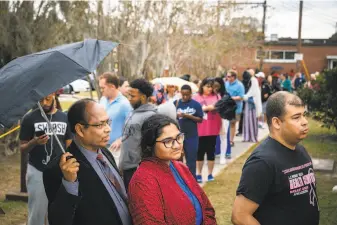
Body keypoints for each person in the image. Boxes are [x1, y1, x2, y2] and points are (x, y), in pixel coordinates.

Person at [232, 92, 319, 225]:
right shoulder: (262, 162)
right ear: (277, 122)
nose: (305, 122)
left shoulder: (300, 150)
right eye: (296, 117)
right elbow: (240, 216)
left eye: (304, 115)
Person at [43, 99, 132, 225]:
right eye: (100, 125)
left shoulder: (105, 152)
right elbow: (59, 220)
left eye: (108, 122)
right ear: (80, 130)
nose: (108, 129)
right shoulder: (59, 169)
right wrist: (69, 183)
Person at [128, 114, 217, 225]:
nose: (177, 145)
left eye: (179, 137)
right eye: (168, 141)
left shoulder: (180, 167)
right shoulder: (142, 181)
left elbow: (207, 208)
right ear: (150, 145)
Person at [20, 93, 72, 225]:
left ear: (54, 94)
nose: (44, 103)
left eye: (48, 99)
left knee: (56, 211)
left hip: (59, 170)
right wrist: (34, 142)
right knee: (37, 212)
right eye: (41, 100)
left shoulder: (64, 117)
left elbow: (69, 144)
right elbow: (22, 148)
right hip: (37, 170)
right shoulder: (29, 118)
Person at [119, 78, 157, 189]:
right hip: (127, 167)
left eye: (132, 96)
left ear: (143, 97)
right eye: (128, 95)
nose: (129, 99)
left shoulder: (151, 116)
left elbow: (151, 146)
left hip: (138, 170)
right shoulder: (132, 112)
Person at [99, 72, 132, 166]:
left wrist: (121, 140)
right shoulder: (102, 100)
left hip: (116, 149)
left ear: (112, 86)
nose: (101, 90)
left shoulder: (125, 104)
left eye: (103, 88)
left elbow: (132, 127)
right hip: (101, 146)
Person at [193, 78, 221, 183]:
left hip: (213, 128)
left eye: (211, 87)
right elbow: (194, 110)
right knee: (199, 152)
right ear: (202, 86)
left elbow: (220, 108)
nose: (210, 89)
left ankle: (210, 173)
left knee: (211, 152)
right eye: (208, 86)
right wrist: (206, 108)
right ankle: (199, 173)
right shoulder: (196, 97)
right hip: (200, 129)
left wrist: (213, 107)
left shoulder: (217, 97)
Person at [174, 84, 203, 179]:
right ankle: (180, 180)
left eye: (187, 94)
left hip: (192, 136)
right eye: (183, 94)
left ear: (191, 93)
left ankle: (192, 181)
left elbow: (200, 119)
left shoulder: (196, 104)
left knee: (191, 160)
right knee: (178, 160)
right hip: (178, 137)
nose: (185, 96)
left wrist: (187, 116)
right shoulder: (176, 103)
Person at [213, 77, 231, 163]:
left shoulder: (226, 95)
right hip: (212, 118)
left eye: (217, 86)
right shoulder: (211, 95)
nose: (215, 88)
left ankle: (222, 157)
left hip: (224, 118)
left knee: (223, 137)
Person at [225, 70, 245, 147]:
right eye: (227, 76)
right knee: (226, 124)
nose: (227, 78)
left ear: (234, 77)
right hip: (226, 107)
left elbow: (241, 97)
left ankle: (231, 141)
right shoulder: (226, 84)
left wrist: (231, 98)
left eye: (229, 76)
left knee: (232, 124)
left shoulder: (240, 85)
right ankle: (225, 139)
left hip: (236, 108)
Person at [242, 69, 262, 143]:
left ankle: (252, 136)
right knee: (247, 120)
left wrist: (245, 97)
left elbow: (253, 93)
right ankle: (248, 136)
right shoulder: (252, 81)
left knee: (252, 121)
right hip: (249, 105)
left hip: (252, 105)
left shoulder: (253, 81)